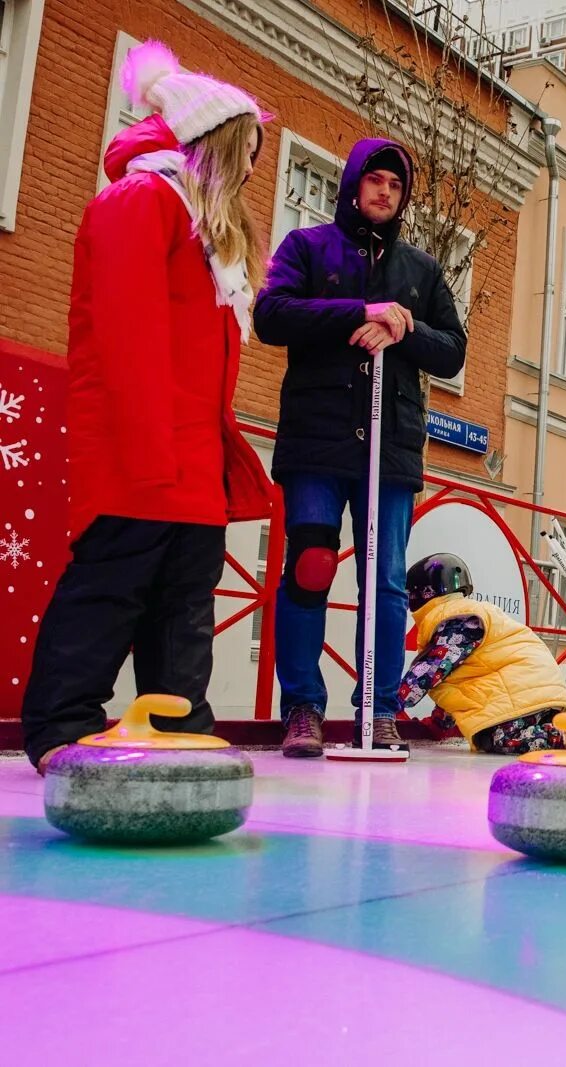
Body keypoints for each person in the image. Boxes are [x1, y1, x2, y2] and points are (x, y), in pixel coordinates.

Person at [21, 43, 272, 773]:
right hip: (141, 457)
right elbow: (127, 340)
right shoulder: (139, 201)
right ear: (215, 142)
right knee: (110, 594)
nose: (255, 168)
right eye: (249, 150)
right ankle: (62, 731)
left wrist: (205, 467)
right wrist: (153, 460)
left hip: (190, 463)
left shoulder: (202, 230)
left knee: (184, 608)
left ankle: (178, 728)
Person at [255, 137, 467, 758]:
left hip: (391, 446)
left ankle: (377, 709)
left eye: (396, 187)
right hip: (318, 440)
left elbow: (453, 349)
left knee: (387, 583)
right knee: (311, 567)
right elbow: (272, 315)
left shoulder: (422, 271)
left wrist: (405, 324)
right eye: (375, 180)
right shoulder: (307, 248)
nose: (384, 192)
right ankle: (302, 708)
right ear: (353, 184)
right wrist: (359, 310)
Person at [399, 553, 566, 754]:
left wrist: (392, 701)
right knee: (488, 736)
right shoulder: (461, 617)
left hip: (523, 693)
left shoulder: (458, 620)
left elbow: (432, 669)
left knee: (499, 739)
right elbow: (454, 684)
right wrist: (439, 725)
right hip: (533, 692)